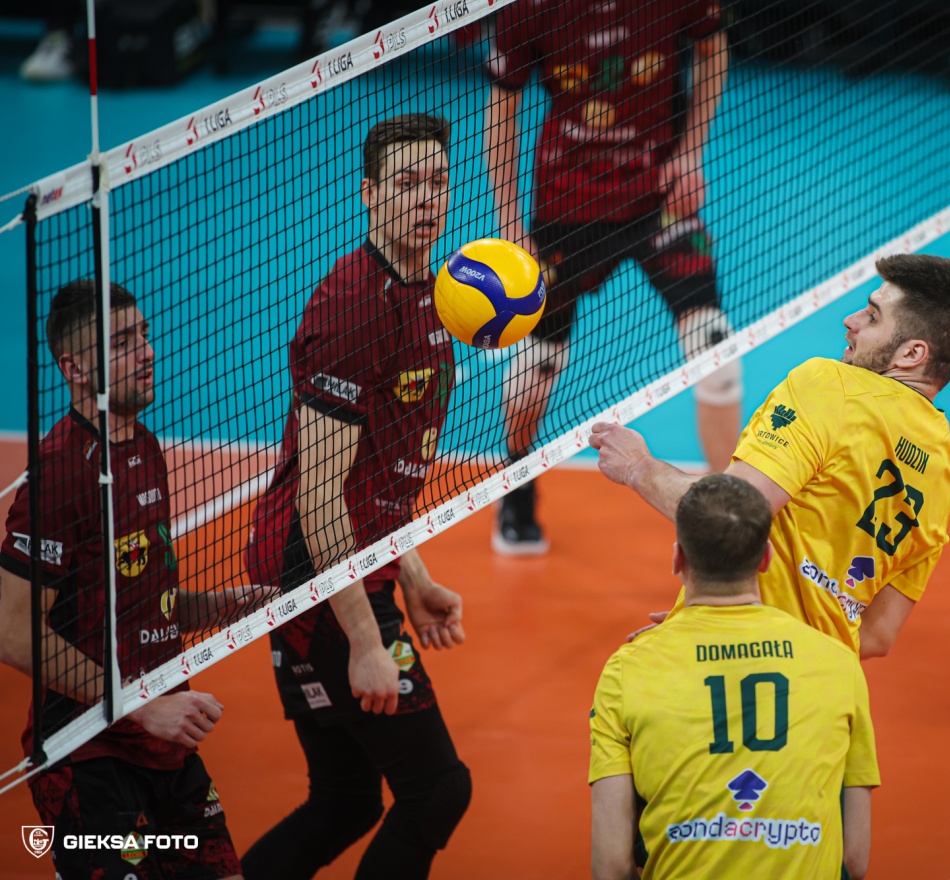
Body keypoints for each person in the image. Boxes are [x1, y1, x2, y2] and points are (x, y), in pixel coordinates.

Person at [241, 114, 471, 880]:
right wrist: (367, 641)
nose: (425, 199)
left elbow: (381, 479)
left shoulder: (435, 296)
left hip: (351, 566)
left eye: (437, 182)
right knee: (438, 788)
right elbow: (321, 498)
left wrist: (415, 576)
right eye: (405, 184)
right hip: (316, 579)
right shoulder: (353, 307)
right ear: (368, 194)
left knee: (345, 801)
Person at [591, 253, 950, 658]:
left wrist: (638, 467)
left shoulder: (833, 385)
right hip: (826, 681)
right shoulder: (945, 471)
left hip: (731, 659)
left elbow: (728, 514)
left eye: (872, 317)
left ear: (911, 354)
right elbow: (877, 635)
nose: (850, 321)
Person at [0, 280, 258, 879]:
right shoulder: (62, 473)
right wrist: (141, 706)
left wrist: (221, 605)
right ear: (73, 369)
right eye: (121, 343)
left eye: (143, 334)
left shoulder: (143, 445)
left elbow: (134, 598)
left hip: (163, 744)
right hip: (87, 754)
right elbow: (12, 631)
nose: (147, 352)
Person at [484, 0, 742, 554]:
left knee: (716, 350)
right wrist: (510, 227)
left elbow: (713, 46)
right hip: (566, 204)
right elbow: (502, 108)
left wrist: (692, 151)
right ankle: (517, 484)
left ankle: (732, 523)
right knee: (537, 363)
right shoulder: (526, 8)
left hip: (660, 194)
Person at [589, 474, 879, 880]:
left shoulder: (627, 669)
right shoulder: (839, 663)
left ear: (678, 559)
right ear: (766, 559)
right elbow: (854, 860)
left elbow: (611, 867)